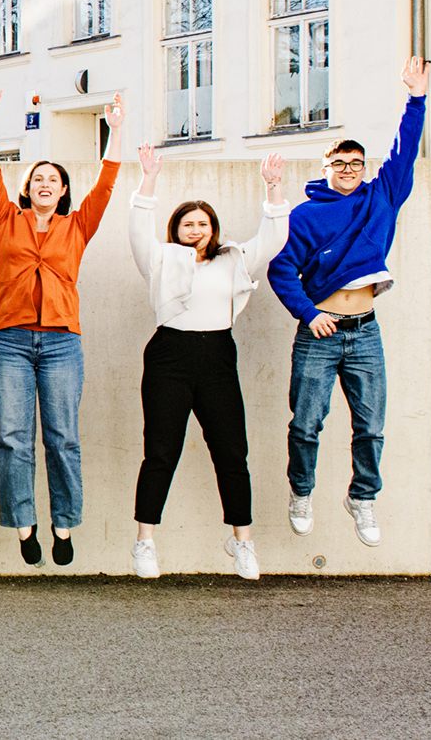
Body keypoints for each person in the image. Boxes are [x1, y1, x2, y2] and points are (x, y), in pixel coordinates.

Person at [269, 57, 429, 549]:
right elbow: (281, 270)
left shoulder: (381, 198)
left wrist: (416, 99)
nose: (348, 170)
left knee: (371, 426)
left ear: (365, 168)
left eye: (356, 164)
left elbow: (404, 152)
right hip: (319, 333)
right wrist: (309, 313)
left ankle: (362, 498)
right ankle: (301, 493)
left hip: (365, 330)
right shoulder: (304, 216)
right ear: (325, 169)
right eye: (339, 164)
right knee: (307, 424)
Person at [0, 78, 122, 567]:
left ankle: (63, 524)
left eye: (52, 180)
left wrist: (115, 130)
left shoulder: (77, 225)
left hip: (61, 343)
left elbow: (106, 183)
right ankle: (24, 525)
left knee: (63, 438)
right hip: (11, 341)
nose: (44, 184)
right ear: (27, 188)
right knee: (13, 437)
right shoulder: (5, 220)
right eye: (37, 178)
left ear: (62, 191)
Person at [128, 146, 290, 580]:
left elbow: (274, 237)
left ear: (213, 228)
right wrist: (148, 179)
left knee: (232, 451)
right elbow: (138, 229)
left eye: (202, 223)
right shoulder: (161, 259)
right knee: (161, 451)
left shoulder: (233, 258)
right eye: (188, 224)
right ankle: (145, 542)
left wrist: (273, 187)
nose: (195, 229)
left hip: (218, 355)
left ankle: (243, 542)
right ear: (176, 229)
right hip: (169, 355)